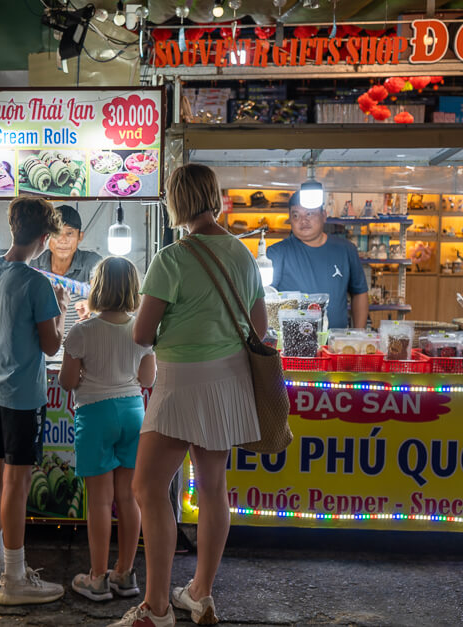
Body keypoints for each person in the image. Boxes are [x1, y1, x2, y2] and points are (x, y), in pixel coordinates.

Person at [111, 164, 267, 627]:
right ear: (213, 197)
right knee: (214, 489)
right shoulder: (242, 253)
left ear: (175, 202)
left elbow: (141, 333)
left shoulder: (171, 259)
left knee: (147, 486)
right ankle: (200, 593)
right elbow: (258, 329)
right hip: (229, 382)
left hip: (181, 383)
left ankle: (156, 607)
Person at [0, 197, 70, 605]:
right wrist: (61, 311)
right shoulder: (38, 284)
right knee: (16, 482)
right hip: (20, 397)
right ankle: (14, 578)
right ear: (46, 238)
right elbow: (51, 346)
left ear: (12, 226)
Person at [58, 257, 156, 603]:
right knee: (129, 498)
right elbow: (147, 380)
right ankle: (125, 574)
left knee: (100, 501)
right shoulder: (141, 332)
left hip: (95, 414)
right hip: (133, 412)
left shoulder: (81, 331)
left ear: (97, 288)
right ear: (134, 289)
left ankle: (97, 578)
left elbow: (68, 381)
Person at [268, 192, 369, 329]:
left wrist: (359, 334)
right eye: (296, 215)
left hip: (334, 345)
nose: (303, 220)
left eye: (309, 213)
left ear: (324, 215)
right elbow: (263, 298)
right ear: (290, 219)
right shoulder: (276, 253)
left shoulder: (346, 249)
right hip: (292, 343)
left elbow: (359, 292)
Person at [29, 204, 101, 328]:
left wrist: (91, 304)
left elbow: (108, 293)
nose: (63, 240)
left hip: (83, 342)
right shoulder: (34, 264)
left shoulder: (92, 262)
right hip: (43, 343)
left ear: (80, 236)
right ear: (47, 237)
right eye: (56, 233)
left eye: (69, 233)